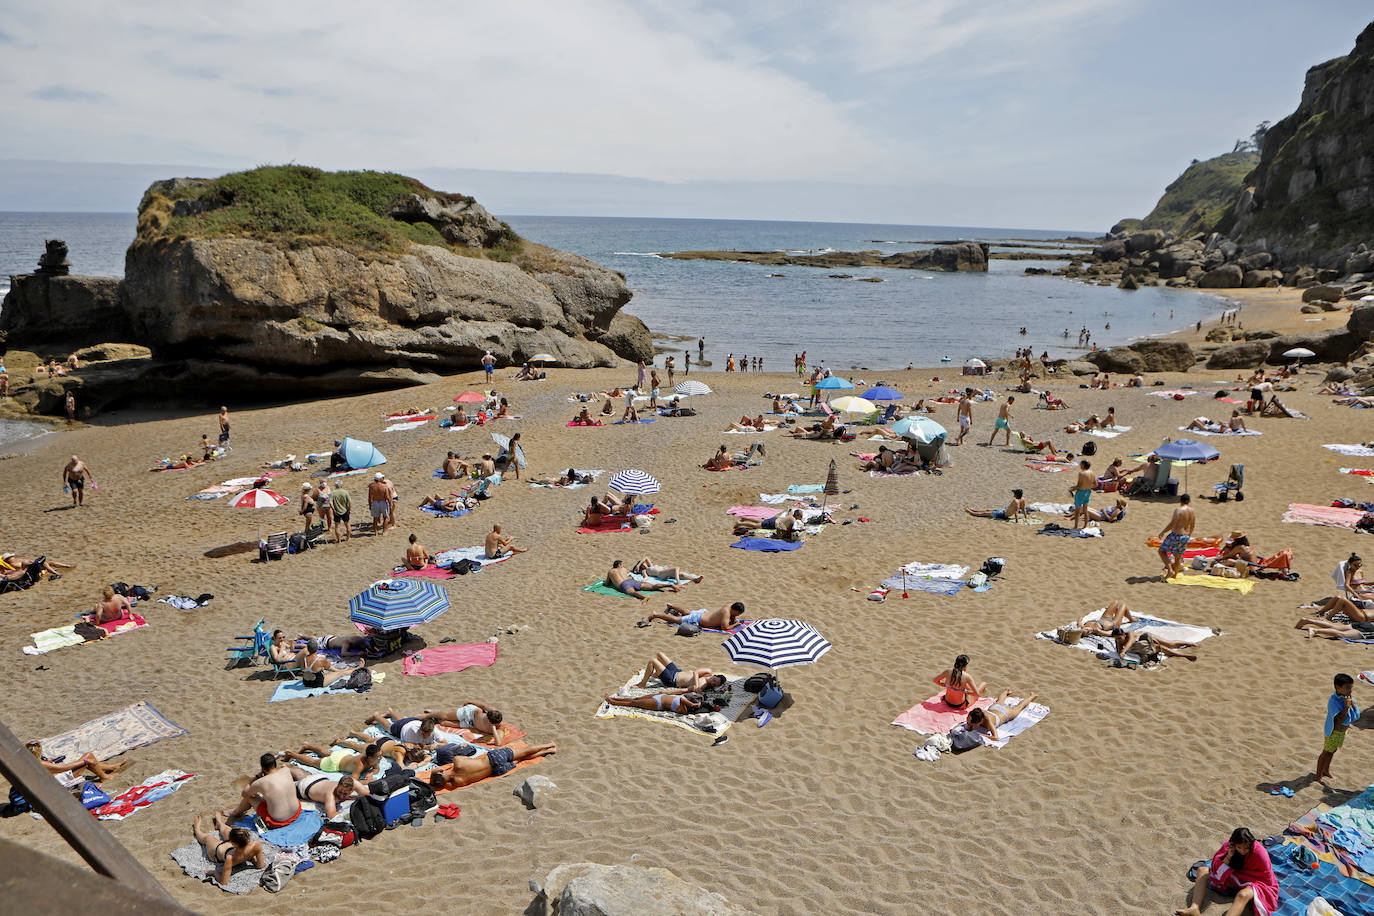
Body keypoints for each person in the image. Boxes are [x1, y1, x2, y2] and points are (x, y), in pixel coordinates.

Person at [1174, 827, 1279, 916]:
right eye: (1239, 847)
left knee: (1242, 895)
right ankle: (1194, 908)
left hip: (1258, 883)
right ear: (1234, 844)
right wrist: (1229, 855)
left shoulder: (1259, 852)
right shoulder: (1229, 846)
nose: (1242, 851)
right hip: (1236, 877)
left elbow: (1267, 879)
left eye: (1246, 848)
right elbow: (1216, 866)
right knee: (1202, 870)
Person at [427, 743, 557, 788]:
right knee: (524, 751)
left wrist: (440, 781)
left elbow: (447, 784)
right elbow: (464, 757)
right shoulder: (457, 761)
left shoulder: (459, 782)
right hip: (493, 759)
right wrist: (436, 772)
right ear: (439, 772)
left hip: (498, 770)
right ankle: (548, 746)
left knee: (522, 759)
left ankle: (548, 751)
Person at [227, 753, 303, 827]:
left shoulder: (261, 782)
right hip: (296, 812)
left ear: (263, 768)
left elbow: (244, 794)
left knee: (250, 797)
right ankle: (235, 812)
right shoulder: (286, 770)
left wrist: (257, 776)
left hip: (278, 821)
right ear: (275, 764)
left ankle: (235, 813)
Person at [191, 814, 265, 887]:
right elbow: (260, 866)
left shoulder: (230, 858)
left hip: (216, 851)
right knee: (229, 831)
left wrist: (215, 872)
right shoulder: (256, 845)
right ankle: (219, 823)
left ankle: (197, 829)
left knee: (208, 838)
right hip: (235, 848)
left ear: (232, 843)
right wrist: (252, 857)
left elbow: (223, 882)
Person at [1316, 672, 1359, 787]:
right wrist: (1347, 707)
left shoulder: (1345, 697)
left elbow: (1355, 712)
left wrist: (1352, 704)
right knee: (1326, 753)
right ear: (1337, 687)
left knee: (1332, 751)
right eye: (1347, 688)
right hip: (1334, 732)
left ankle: (1326, 770)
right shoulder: (1334, 701)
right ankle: (1318, 775)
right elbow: (1339, 719)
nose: (1350, 690)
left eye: (1351, 687)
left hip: (1341, 732)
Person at [952, 690, 1037, 745]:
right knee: (999, 701)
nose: (969, 724)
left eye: (972, 724)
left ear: (980, 722)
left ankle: (1032, 696)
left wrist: (980, 734)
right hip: (993, 709)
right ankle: (1006, 691)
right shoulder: (975, 715)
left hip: (1004, 714)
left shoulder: (988, 722)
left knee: (1020, 706)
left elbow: (995, 737)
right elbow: (968, 728)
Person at [25, 738, 128, 782]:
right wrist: (84, 762)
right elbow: (64, 768)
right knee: (88, 757)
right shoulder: (41, 763)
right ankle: (105, 777)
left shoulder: (29, 761)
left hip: (57, 777)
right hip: (62, 780)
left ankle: (111, 767)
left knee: (89, 756)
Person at [283, 743, 384, 781]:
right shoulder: (360, 765)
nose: (381, 757)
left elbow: (376, 769)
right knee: (313, 762)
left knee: (327, 753)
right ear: (370, 757)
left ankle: (308, 746)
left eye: (381, 755)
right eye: (378, 756)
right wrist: (367, 781)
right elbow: (353, 781)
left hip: (344, 755)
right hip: (335, 763)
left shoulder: (374, 758)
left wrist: (371, 773)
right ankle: (292, 754)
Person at [290, 771, 368, 819]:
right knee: (291, 785)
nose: (341, 796)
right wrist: (352, 815)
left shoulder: (352, 782)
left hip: (320, 778)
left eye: (345, 794)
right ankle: (286, 771)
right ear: (337, 785)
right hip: (306, 786)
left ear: (352, 790)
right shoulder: (330, 794)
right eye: (340, 792)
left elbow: (367, 793)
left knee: (301, 777)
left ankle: (288, 770)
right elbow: (331, 814)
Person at [423, 702, 507, 743]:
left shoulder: (499, 729)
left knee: (444, 723)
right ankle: (432, 713)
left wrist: (493, 728)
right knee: (446, 716)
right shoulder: (493, 712)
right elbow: (483, 706)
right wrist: (470, 702)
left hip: (471, 724)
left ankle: (435, 718)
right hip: (470, 712)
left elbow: (498, 743)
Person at [638, 652, 725, 691]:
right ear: (714, 675)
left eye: (715, 684)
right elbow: (696, 672)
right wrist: (696, 685)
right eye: (714, 680)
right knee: (659, 654)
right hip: (676, 671)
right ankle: (658, 674)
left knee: (652, 661)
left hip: (671, 679)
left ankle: (642, 684)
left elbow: (690, 690)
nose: (713, 683)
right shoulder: (708, 672)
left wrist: (697, 687)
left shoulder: (703, 684)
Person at [1158, 493, 1196, 580]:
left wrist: (1163, 531)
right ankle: (1174, 575)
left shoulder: (1178, 510)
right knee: (1178, 556)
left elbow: (1172, 523)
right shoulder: (1192, 511)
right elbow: (1192, 525)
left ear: (1180, 500)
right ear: (1189, 501)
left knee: (1162, 551)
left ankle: (1170, 570)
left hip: (1177, 535)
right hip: (1186, 535)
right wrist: (1189, 535)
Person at [606, 559, 680, 602]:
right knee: (652, 587)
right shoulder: (624, 569)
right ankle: (669, 585)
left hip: (624, 584)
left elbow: (607, 583)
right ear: (619, 565)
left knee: (632, 592)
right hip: (632, 581)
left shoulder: (610, 571)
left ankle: (644, 597)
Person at [641, 602, 746, 631]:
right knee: (677, 620)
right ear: (735, 610)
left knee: (687, 612)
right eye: (738, 613)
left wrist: (734, 619)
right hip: (699, 619)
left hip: (703, 613)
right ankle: (655, 614)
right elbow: (725, 628)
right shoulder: (726, 612)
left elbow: (732, 617)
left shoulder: (729, 605)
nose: (738, 616)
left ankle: (671, 605)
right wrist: (736, 624)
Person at [365, 710, 443, 747]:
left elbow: (444, 742)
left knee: (402, 719)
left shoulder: (434, 731)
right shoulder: (413, 731)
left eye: (427, 735)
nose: (424, 736)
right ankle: (376, 716)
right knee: (389, 727)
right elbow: (412, 746)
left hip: (413, 721)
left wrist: (437, 744)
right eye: (422, 734)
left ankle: (391, 713)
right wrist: (428, 747)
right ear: (420, 729)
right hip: (402, 728)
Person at [632, 557, 702, 585]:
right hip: (661, 574)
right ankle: (679, 583)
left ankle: (695, 579)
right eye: (642, 565)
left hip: (665, 572)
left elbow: (646, 557)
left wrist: (638, 564)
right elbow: (646, 577)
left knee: (682, 575)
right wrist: (643, 579)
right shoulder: (645, 570)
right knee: (676, 568)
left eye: (643, 563)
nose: (643, 564)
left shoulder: (650, 565)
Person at [1070, 460, 1094, 528]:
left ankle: (1075, 526)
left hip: (1081, 493)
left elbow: (1079, 486)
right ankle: (1085, 526)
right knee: (1085, 510)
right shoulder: (1092, 473)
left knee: (1077, 511)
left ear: (1083, 465)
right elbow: (1095, 484)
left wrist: (1072, 489)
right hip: (1088, 492)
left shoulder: (1081, 473)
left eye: (1080, 464)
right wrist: (1088, 486)